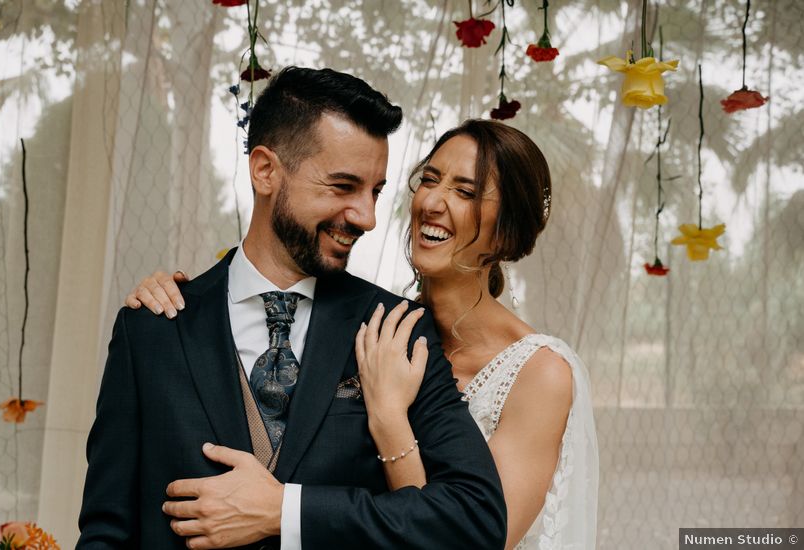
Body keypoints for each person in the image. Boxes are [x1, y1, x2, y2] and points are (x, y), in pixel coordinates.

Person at [77, 67, 507, 550]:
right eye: (343, 186)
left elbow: (476, 519)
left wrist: (288, 512)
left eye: (375, 192)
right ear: (265, 170)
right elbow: (105, 533)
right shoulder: (151, 329)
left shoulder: (397, 330)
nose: (365, 216)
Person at [130, 119, 599, 549]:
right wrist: (198, 302)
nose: (432, 203)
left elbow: (475, 538)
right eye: (430, 180)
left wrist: (389, 418)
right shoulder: (373, 323)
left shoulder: (541, 373)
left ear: (506, 234)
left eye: (466, 191)